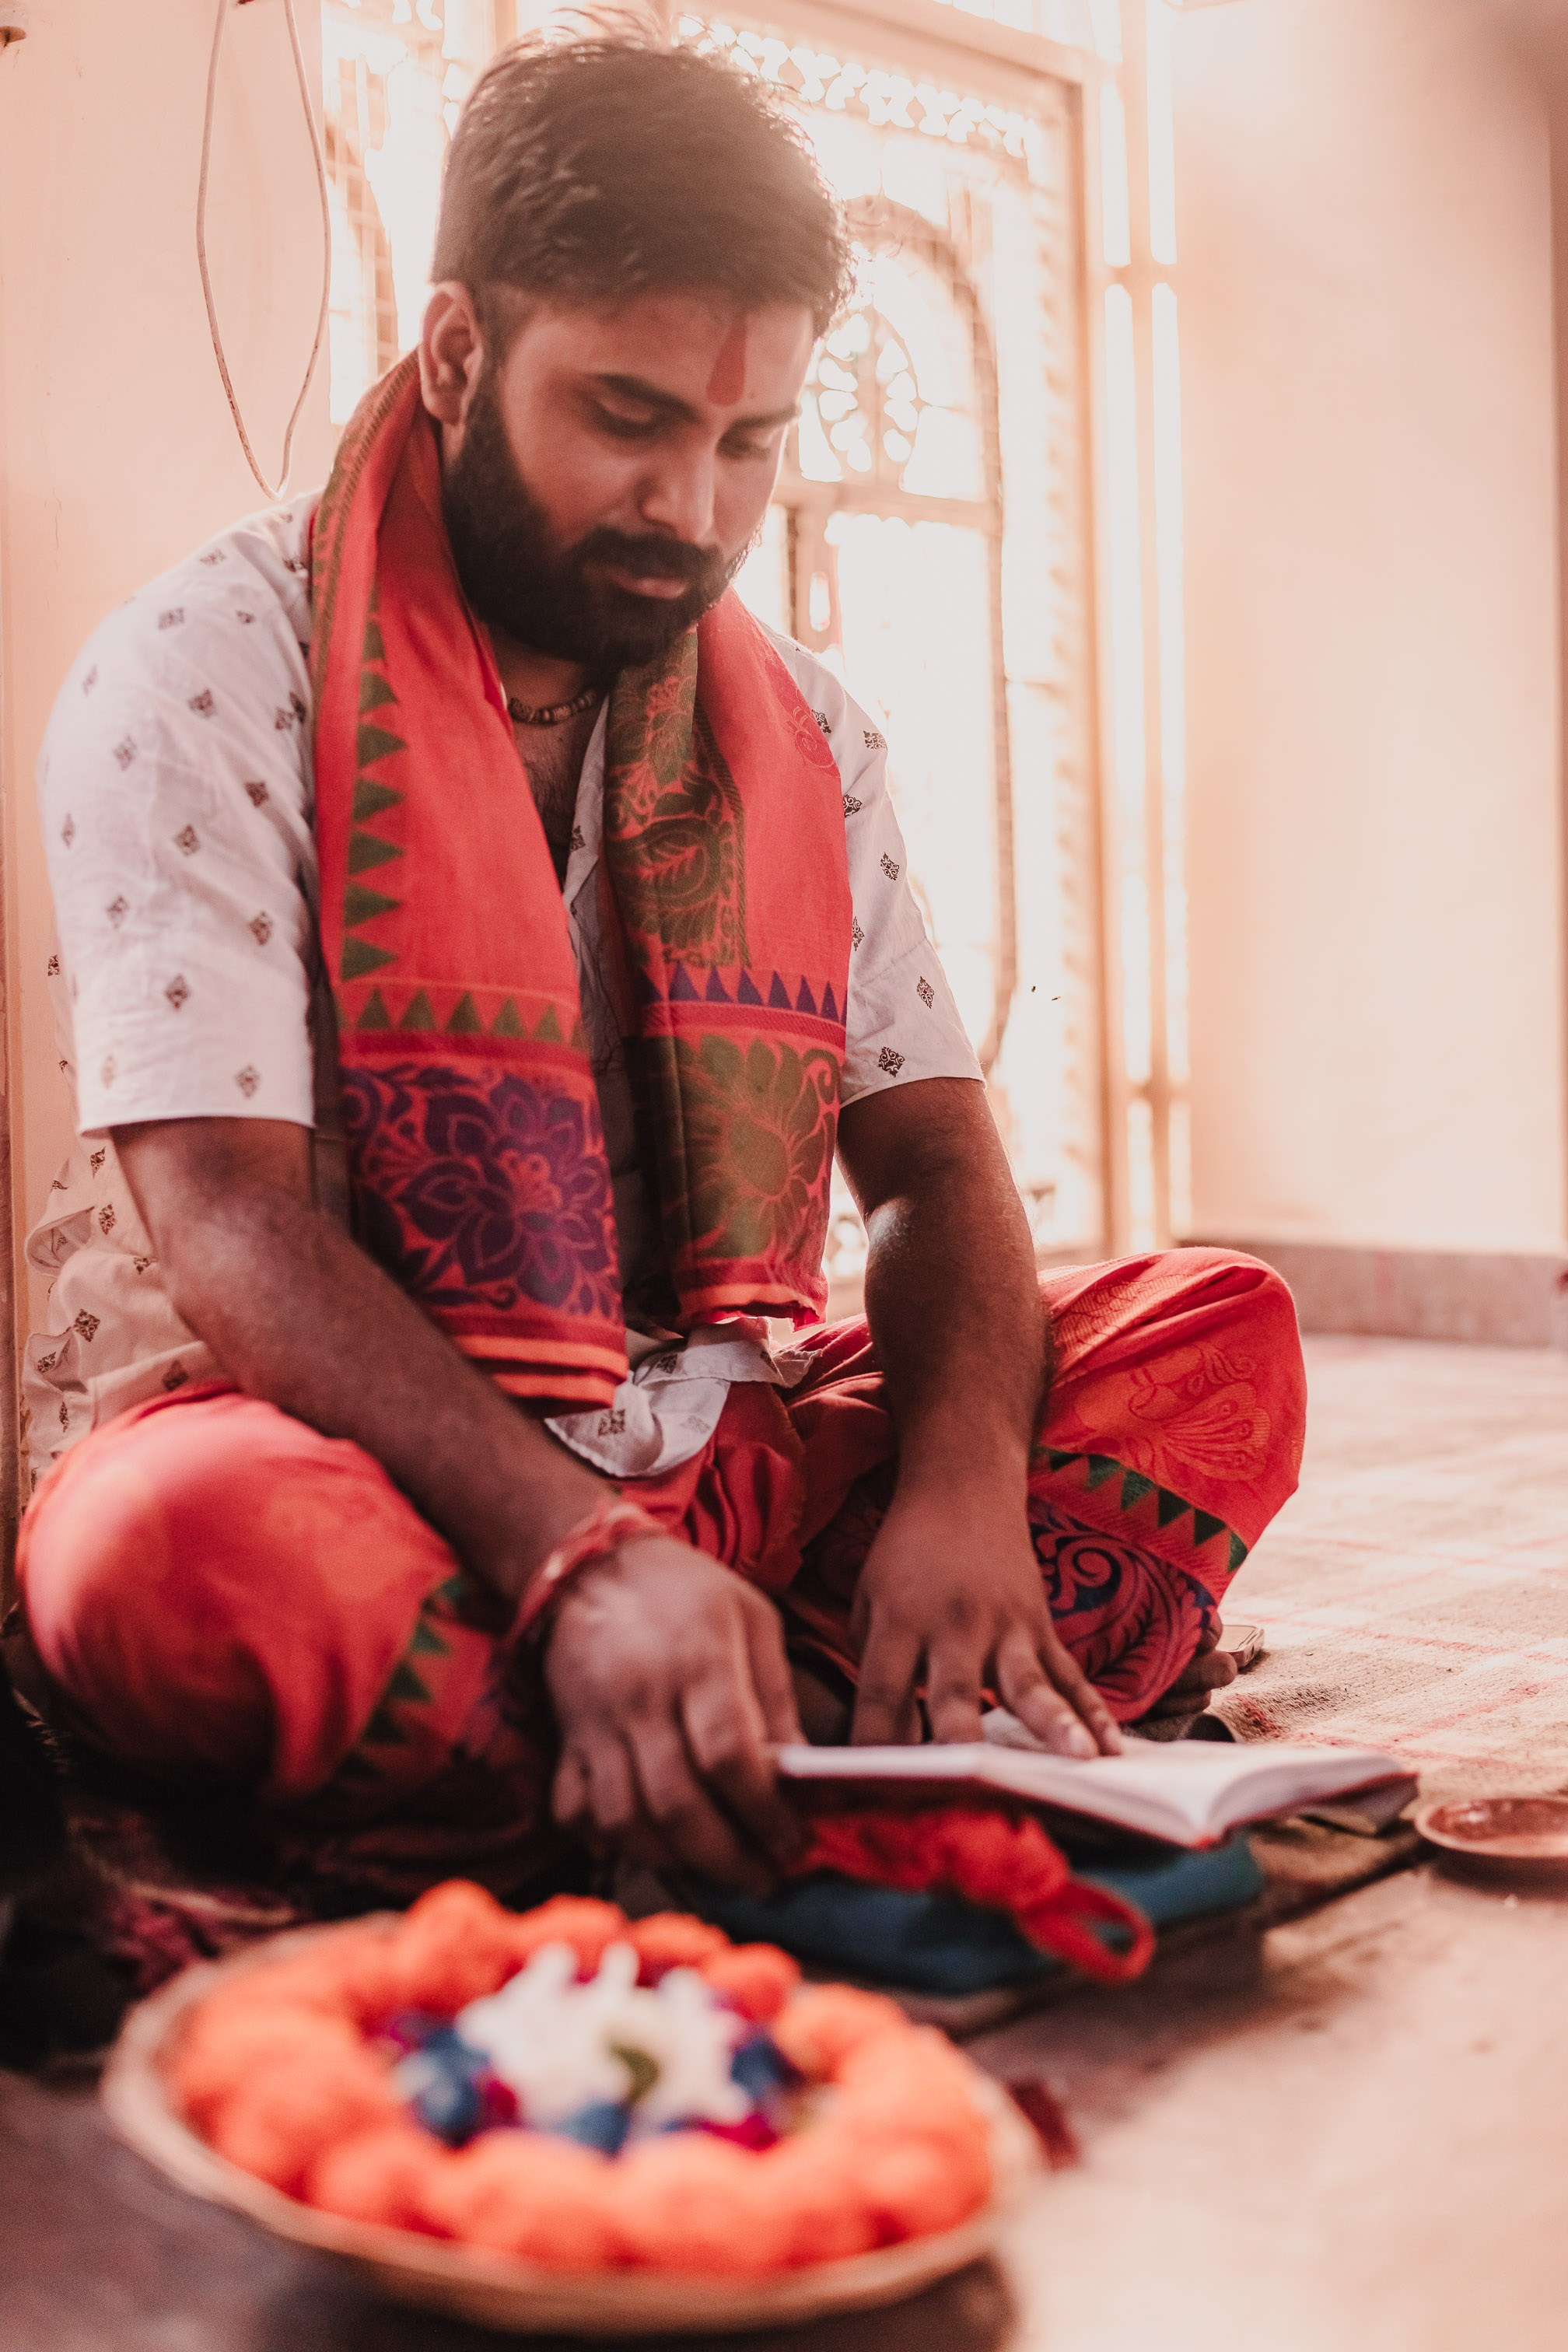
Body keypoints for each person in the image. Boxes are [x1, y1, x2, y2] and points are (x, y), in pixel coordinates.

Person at [16, 35, 1305, 1909]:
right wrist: (578, 1562)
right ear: (459, 353)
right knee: (169, 1559)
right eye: (628, 416)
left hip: (727, 1449)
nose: (693, 510)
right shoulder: (208, 672)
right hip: (345, 1456)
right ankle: (820, 1732)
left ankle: (683, 1739)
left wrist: (954, 1498)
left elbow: (934, 1168)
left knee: (1216, 1334)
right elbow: (229, 1219)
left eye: (749, 442)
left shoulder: (805, 730)